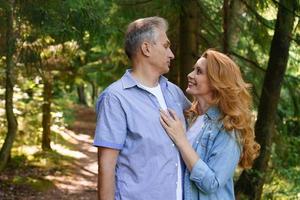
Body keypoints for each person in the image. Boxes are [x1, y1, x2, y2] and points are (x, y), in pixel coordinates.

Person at [93, 16, 190, 200]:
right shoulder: (115, 98)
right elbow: (106, 167)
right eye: (166, 46)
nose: (172, 54)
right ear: (146, 48)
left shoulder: (174, 93)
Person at [160, 49, 260, 200]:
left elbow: (211, 183)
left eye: (199, 71)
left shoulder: (229, 128)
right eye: (194, 69)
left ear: (216, 82)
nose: (190, 75)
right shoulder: (190, 117)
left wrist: (181, 140)